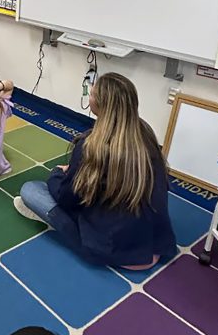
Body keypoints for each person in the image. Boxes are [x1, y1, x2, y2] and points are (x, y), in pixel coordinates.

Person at [14, 73, 176, 271]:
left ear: (99, 105)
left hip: (112, 250)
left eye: (91, 94)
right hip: (155, 247)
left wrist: (57, 174)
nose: (89, 95)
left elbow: (67, 198)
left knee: (30, 190)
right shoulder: (145, 133)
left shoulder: (92, 145)